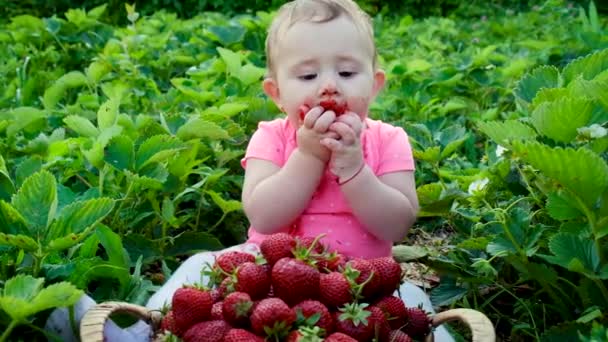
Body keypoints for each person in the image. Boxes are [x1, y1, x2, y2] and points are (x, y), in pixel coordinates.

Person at [44, 0, 454, 340]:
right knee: (197, 267)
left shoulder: (388, 140)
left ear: (375, 84)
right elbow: (264, 215)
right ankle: (138, 332)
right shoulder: (272, 137)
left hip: (360, 290)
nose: (329, 86)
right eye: (308, 74)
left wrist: (354, 168)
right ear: (276, 94)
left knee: (414, 304)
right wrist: (308, 156)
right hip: (263, 281)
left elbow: (396, 225)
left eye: (347, 73)